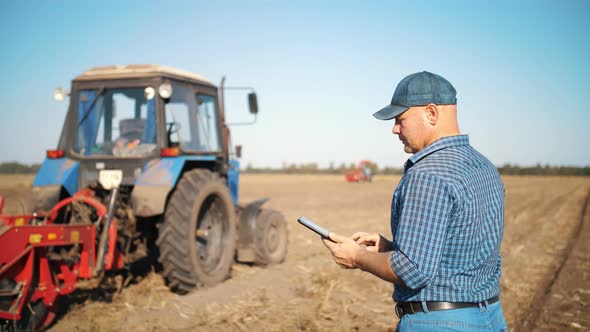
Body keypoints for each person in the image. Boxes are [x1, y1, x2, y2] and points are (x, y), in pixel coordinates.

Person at [321, 71, 508, 331]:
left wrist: (357, 257)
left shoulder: (427, 173)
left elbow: (411, 270)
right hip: (489, 317)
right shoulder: (483, 166)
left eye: (401, 119)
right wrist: (391, 247)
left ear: (431, 113)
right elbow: (460, 251)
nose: (395, 129)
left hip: (439, 322)